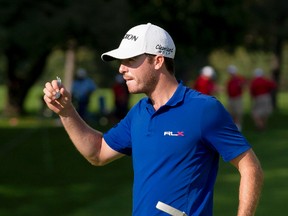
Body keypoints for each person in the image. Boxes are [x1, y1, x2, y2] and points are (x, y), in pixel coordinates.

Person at [43, 23, 263, 216]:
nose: (121, 69)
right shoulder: (139, 113)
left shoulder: (204, 109)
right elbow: (98, 153)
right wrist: (67, 112)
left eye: (130, 60)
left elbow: (250, 166)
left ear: (158, 61)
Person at [226, 65, 247, 131]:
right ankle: (233, 127)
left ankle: (238, 127)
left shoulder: (239, 79)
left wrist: (241, 86)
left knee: (238, 113)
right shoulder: (230, 81)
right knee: (231, 113)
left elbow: (244, 85)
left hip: (237, 98)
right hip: (231, 99)